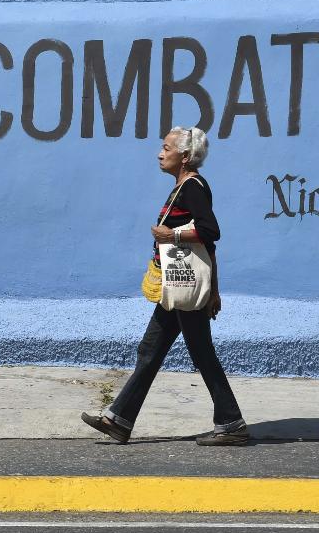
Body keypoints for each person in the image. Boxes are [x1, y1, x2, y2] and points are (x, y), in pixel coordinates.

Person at [81, 126, 249, 446]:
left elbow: (210, 232)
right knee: (151, 350)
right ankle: (119, 420)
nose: (160, 153)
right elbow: (208, 251)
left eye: (167, 148)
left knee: (200, 353)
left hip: (184, 287)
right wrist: (214, 288)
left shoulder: (193, 187)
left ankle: (232, 423)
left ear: (184, 157)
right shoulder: (182, 187)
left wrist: (170, 236)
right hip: (177, 285)